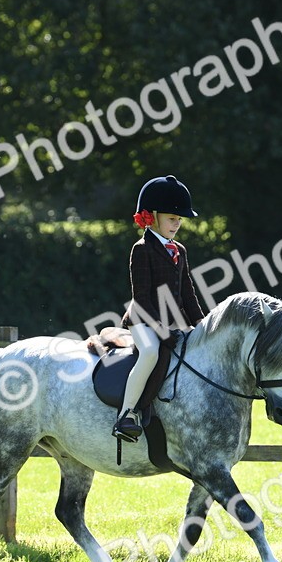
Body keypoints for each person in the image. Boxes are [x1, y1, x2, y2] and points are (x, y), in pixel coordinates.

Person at [112, 175, 206, 442]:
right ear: (152, 217)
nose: (177, 224)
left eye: (179, 220)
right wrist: (163, 332)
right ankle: (127, 414)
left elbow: (188, 293)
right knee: (151, 352)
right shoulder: (142, 249)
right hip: (143, 321)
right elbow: (141, 298)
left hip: (172, 320)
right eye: (171, 218)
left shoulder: (180, 251)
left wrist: (203, 325)